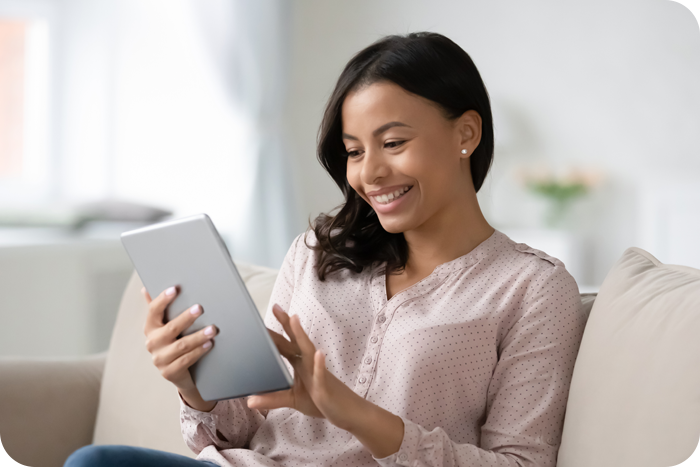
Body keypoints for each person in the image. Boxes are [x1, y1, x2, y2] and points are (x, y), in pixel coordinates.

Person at [65, 31, 586, 467]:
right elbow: (234, 429)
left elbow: (521, 464)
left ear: (466, 133)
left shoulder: (533, 289)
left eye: (394, 142)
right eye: (354, 151)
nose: (369, 173)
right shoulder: (317, 253)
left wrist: (353, 413)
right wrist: (194, 386)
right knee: (96, 462)